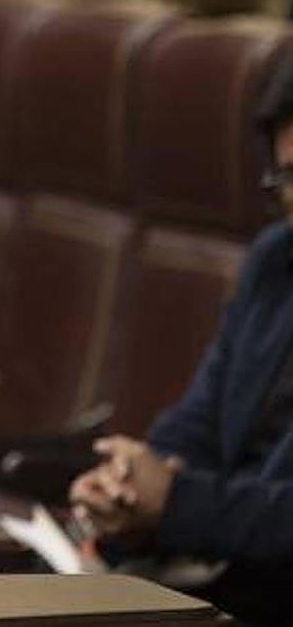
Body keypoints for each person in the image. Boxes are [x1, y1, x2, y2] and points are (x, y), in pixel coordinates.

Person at [68, 59, 293, 625]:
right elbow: (198, 422)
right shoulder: (275, 261)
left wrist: (174, 502)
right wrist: (127, 490)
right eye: (289, 178)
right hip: (221, 591)